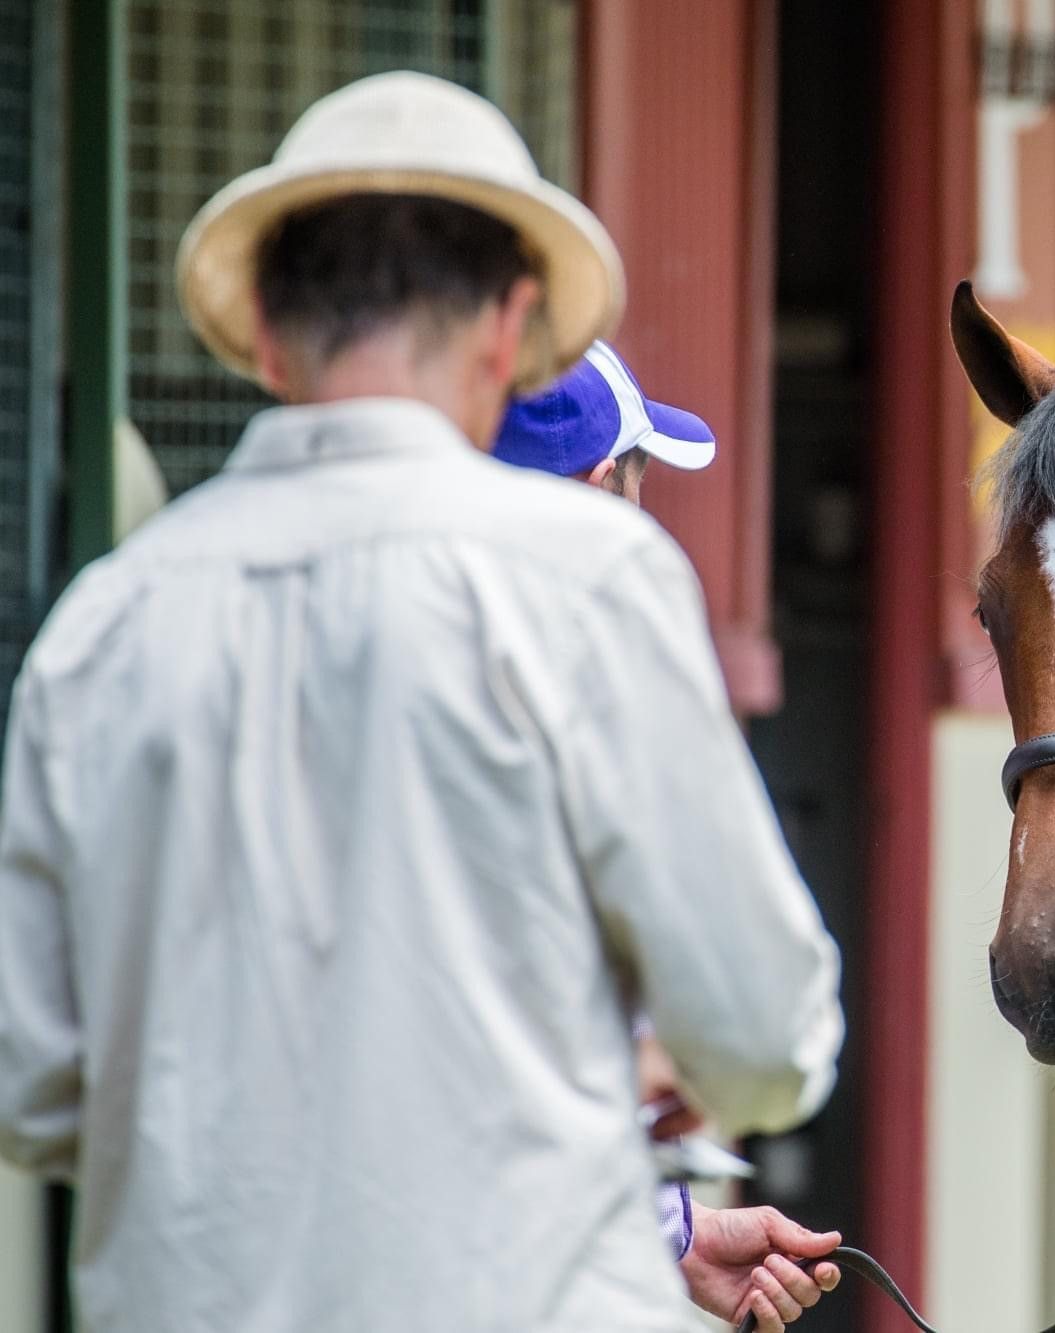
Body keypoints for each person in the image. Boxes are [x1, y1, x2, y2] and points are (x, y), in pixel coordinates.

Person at [0, 70, 843, 1333]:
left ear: (268, 337)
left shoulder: (101, 629)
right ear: (511, 330)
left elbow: (34, 1083)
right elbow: (764, 1038)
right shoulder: (590, 583)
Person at [491, 341, 843, 1319]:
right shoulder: (608, 663)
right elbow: (770, 1039)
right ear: (606, 486)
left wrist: (672, 1232)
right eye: (643, 480)